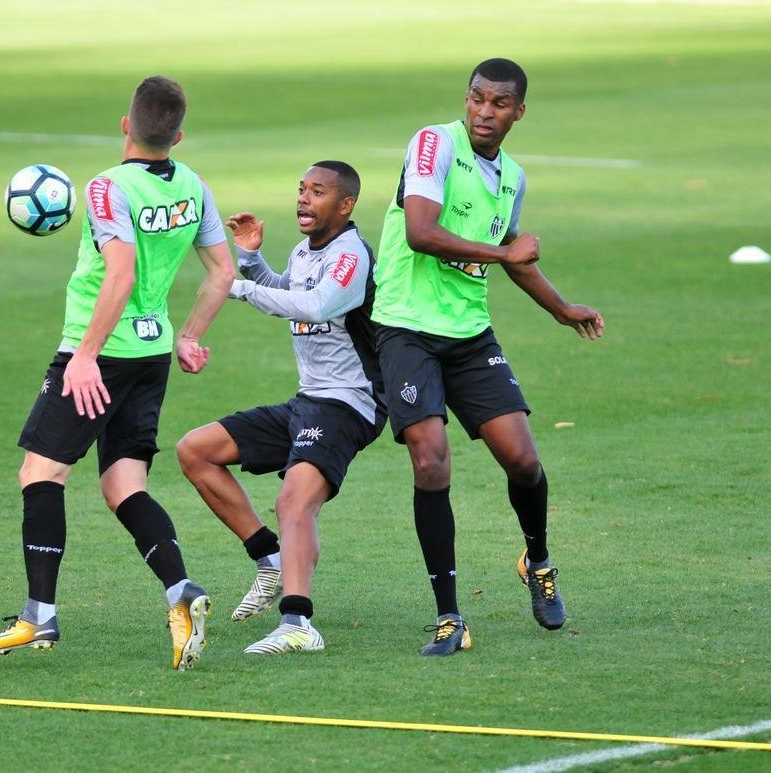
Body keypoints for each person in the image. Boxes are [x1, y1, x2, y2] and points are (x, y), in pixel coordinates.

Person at [0, 76, 235, 671]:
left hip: (101, 353)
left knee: (41, 471)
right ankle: (182, 593)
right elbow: (222, 270)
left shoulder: (105, 188)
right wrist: (189, 335)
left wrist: (85, 354)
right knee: (124, 486)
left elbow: (119, 274)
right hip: (150, 354)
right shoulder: (194, 185)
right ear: (179, 135)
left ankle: (39, 615)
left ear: (125, 124)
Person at [372, 58, 604, 656]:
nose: (484, 111)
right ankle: (449, 617)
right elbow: (423, 232)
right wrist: (504, 258)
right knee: (431, 462)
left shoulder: (512, 177)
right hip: (406, 328)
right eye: (477, 98)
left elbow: (509, 248)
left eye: (499, 104)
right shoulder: (433, 144)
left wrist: (560, 308)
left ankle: (539, 558)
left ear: (518, 112)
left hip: (470, 334)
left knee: (522, 460)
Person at [176, 161, 384, 654]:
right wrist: (249, 261)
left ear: (346, 205)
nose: (303, 200)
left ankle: (298, 624)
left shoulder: (350, 254)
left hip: (350, 402)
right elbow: (291, 291)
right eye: (300, 190)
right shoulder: (303, 250)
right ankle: (268, 558)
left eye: (317, 192)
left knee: (295, 500)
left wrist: (237, 286)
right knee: (195, 451)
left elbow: (316, 306)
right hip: (309, 400)